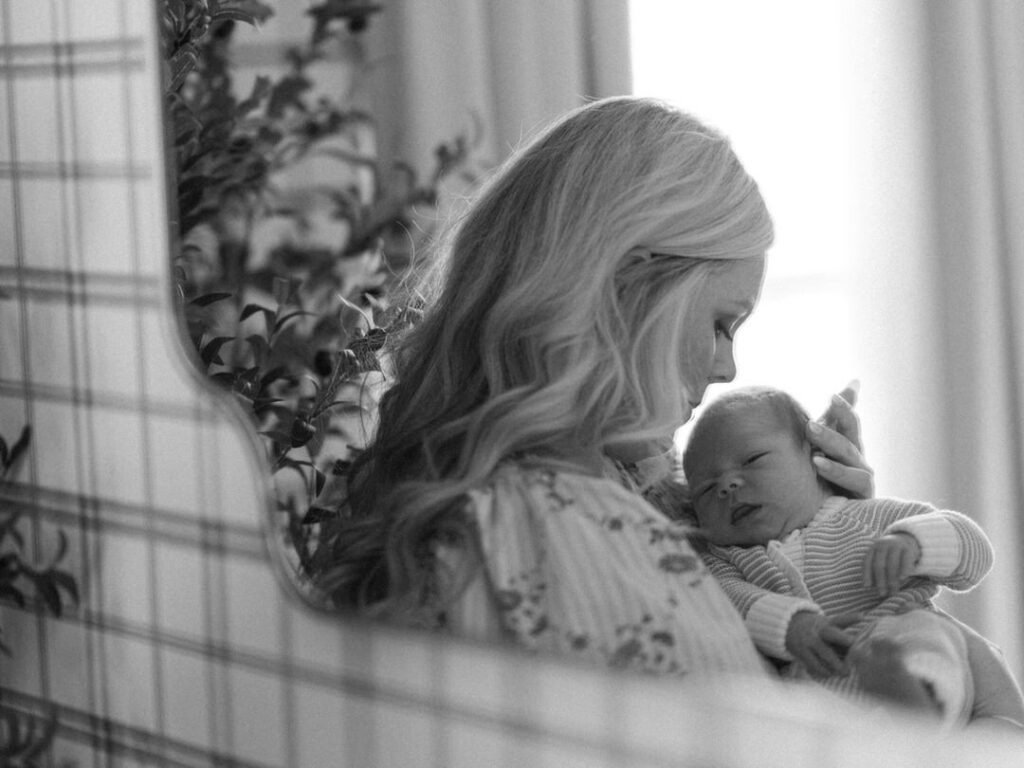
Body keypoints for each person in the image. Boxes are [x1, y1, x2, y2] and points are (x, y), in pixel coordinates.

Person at [312, 96, 1015, 726]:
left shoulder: (581, 492)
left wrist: (820, 536)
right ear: (631, 287)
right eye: (720, 323)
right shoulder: (569, 535)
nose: (726, 367)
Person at [681, 385, 1024, 727]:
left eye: (753, 460)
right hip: (826, 695)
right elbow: (728, 601)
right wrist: (789, 625)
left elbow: (975, 550)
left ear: (816, 456)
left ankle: (921, 695)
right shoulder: (725, 560)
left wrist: (913, 543)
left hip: (900, 647)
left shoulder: (866, 517)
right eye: (707, 490)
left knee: (923, 629)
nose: (727, 486)